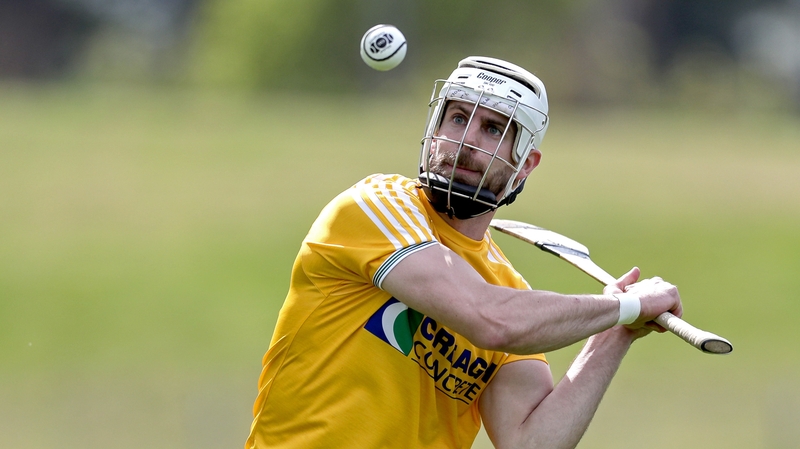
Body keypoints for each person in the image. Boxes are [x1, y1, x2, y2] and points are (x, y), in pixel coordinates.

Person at [245, 56, 682, 449]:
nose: (467, 141)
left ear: (525, 163)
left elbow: (529, 443)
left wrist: (616, 332)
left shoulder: (507, 290)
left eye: (493, 129)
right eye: (457, 118)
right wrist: (622, 305)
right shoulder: (374, 207)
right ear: (435, 128)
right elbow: (489, 320)